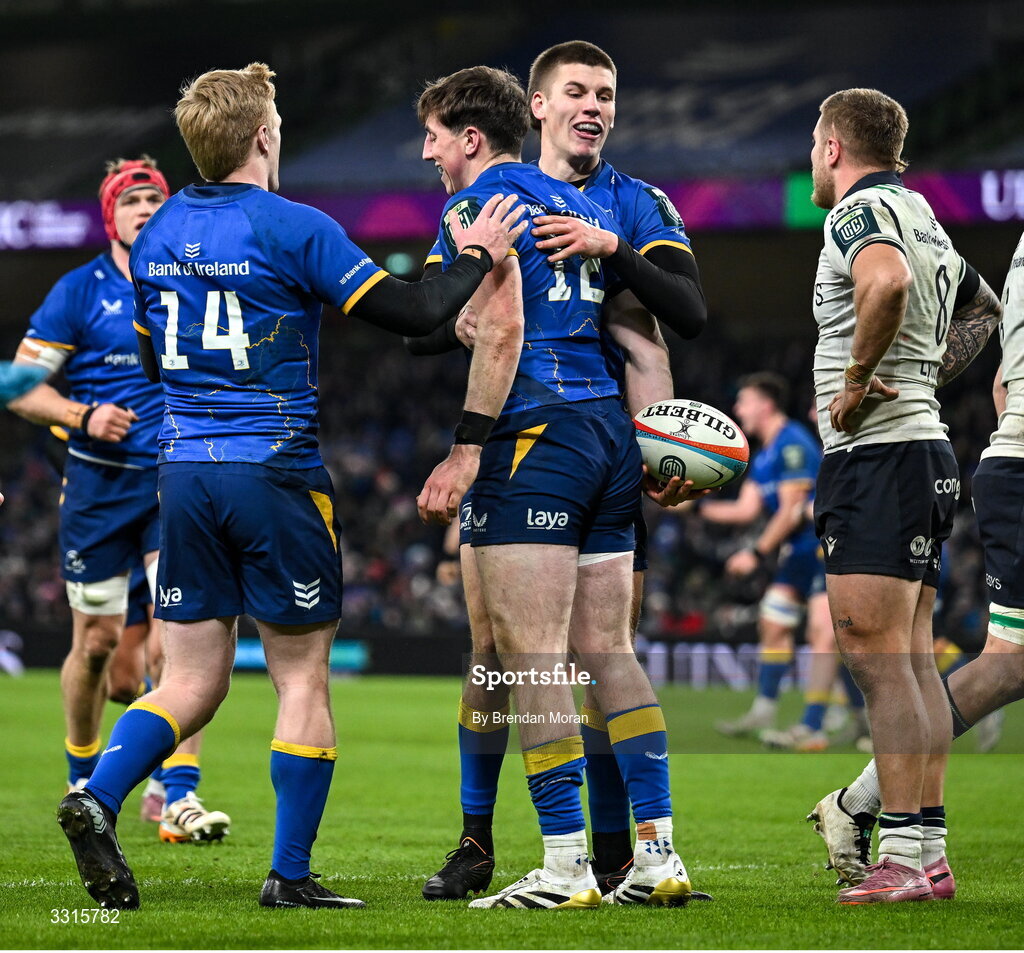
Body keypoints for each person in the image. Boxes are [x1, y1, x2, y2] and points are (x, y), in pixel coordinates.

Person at [54, 62, 524, 911]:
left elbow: (157, 357)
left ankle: (97, 793)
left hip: (183, 472)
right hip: (274, 470)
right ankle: (290, 874)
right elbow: (416, 314)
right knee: (301, 677)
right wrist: (480, 253)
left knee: (190, 679)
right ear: (265, 135)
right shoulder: (294, 226)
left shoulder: (154, 237)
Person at [411, 40, 707, 902]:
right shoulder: (548, 196)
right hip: (603, 434)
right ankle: (655, 854)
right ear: (534, 107)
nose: (594, 106)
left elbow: (497, 324)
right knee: (598, 650)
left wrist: (466, 444)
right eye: (576, 91)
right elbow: (451, 321)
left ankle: (568, 862)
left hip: (532, 430)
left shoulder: (500, 199)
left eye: (605, 93)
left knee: (532, 659)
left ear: (469, 135)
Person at [805, 88, 1000, 904]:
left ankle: (908, 863)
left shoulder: (858, 214)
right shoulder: (926, 216)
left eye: (816, 142)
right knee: (914, 665)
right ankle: (926, 851)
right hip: (925, 448)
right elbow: (984, 311)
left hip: (878, 458)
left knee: (882, 665)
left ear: (833, 147)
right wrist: (921, 377)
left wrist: (855, 382)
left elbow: (880, 285)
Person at [5, 156, 230, 844]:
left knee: (183, 640)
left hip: (175, 485)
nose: (142, 207)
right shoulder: (78, 291)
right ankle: (82, 776)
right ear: (110, 215)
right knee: (98, 645)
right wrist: (81, 414)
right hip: (98, 489)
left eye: (153, 198)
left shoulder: (192, 282)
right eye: (130, 199)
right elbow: (20, 385)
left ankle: (180, 794)